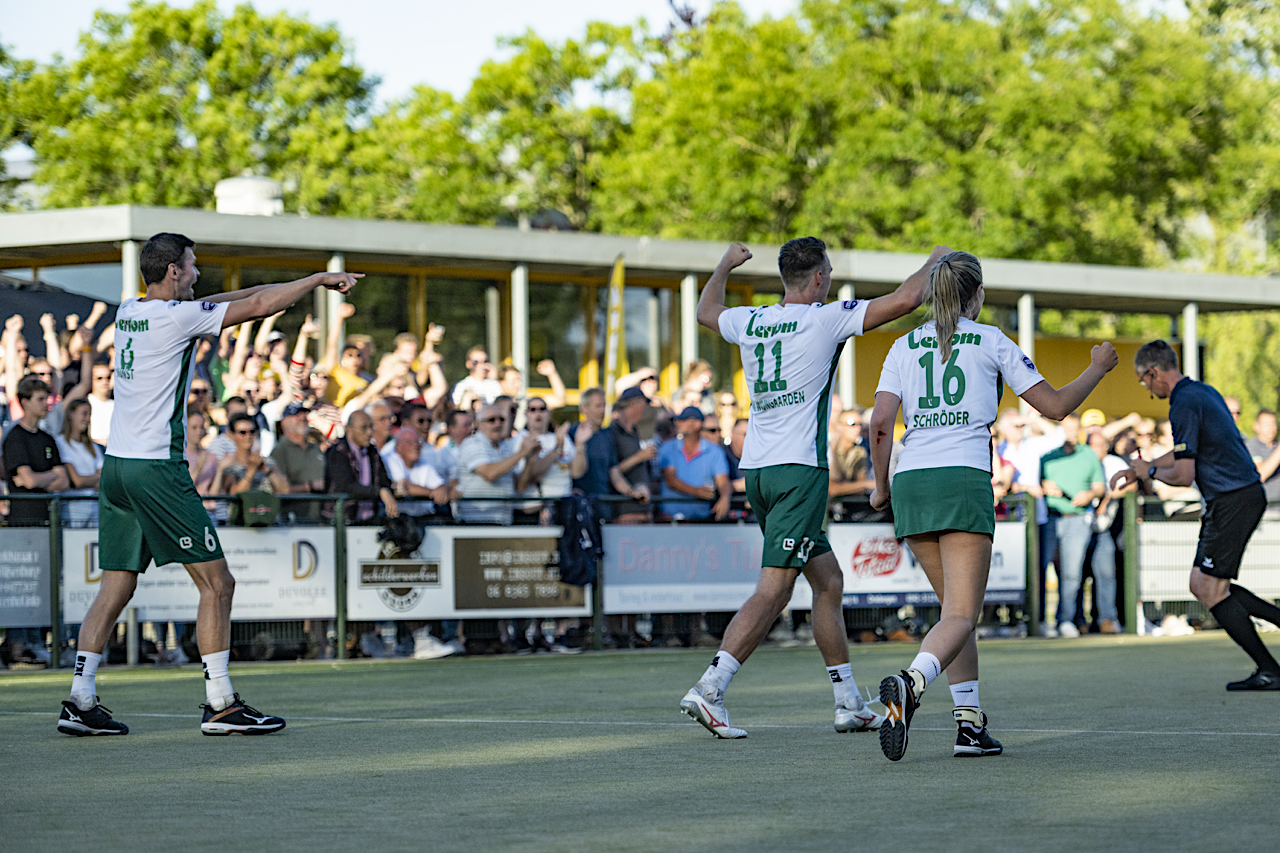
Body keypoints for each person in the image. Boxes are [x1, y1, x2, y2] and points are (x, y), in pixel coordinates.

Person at [58, 231, 361, 738]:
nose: (198, 274)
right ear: (173, 270)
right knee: (218, 584)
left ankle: (81, 697)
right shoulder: (176, 317)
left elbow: (234, 299)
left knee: (115, 585)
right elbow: (258, 304)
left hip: (117, 468)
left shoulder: (131, 311)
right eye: (193, 265)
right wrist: (315, 280)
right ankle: (220, 702)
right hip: (157, 469)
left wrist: (276, 286)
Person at [678, 237, 950, 740]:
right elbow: (908, 299)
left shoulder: (754, 319)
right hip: (799, 471)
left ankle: (848, 701)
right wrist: (935, 259)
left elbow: (706, 311)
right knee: (775, 589)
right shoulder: (824, 318)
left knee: (828, 581)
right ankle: (711, 688)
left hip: (757, 470)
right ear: (819, 279)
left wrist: (722, 265)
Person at [865, 250, 1117, 761]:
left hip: (912, 480)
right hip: (961, 478)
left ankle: (969, 725)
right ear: (976, 295)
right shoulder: (991, 340)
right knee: (961, 613)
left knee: (953, 614)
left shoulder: (901, 345)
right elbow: (1056, 406)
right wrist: (1098, 368)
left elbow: (879, 425)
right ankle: (912, 683)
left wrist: (879, 485)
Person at [1111, 340, 1280, 691]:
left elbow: (1184, 476)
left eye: (1143, 381)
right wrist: (1146, 466)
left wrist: (1149, 473)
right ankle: (1269, 667)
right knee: (1204, 585)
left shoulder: (1182, 402)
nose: (1146, 388)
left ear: (1153, 372)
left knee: (1208, 588)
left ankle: (1270, 670)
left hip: (1232, 499)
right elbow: (1185, 451)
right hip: (1238, 497)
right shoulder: (1201, 391)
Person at [1039, 414, 1105, 638]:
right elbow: (1035, 481)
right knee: (1041, 569)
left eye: (1075, 429)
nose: (1071, 433)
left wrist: (1090, 493)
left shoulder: (1089, 455)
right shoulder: (1048, 456)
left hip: (1077, 518)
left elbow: (1099, 486)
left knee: (1071, 574)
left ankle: (1065, 620)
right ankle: (1039, 621)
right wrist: (1044, 484)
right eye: (1067, 429)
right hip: (1049, 518)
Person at [324, 409, 399, 524]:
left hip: (370, 518)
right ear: (348, 429)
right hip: (342, 520)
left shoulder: (372, 452)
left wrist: (394, 488)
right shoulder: (338, 452)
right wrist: (379, 492)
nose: (369, 432)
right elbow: (346, 486)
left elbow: (383, 481)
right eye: (363, 428)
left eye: (371, 427)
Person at [657, 407, 731, 521]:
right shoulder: (667, 448)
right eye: (678, 420)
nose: (678, 423)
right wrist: (697, 491)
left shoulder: (715, 451)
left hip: (701, 520)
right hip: (670, 520)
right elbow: (670, 480)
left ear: (697, 424)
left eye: (684, 420)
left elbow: (723, 481)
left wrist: (725, 498)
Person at [56, 397, 104, 527]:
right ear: (71, 414)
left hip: (94, 509)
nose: (87, 419)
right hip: (73, 511)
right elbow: (77, 480)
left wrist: (89, 480)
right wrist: (95, 478)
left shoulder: (93, 447)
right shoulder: (60, 443)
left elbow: (103, 480)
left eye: (89, 414)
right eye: (84, 413)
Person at [1244, 409, 1280, 514]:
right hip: (1263, 512)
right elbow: (1260, 474)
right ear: (1256, 426)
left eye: (1273, 424)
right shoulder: (1250, 447)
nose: (1271, 428)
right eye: (1267, 424)